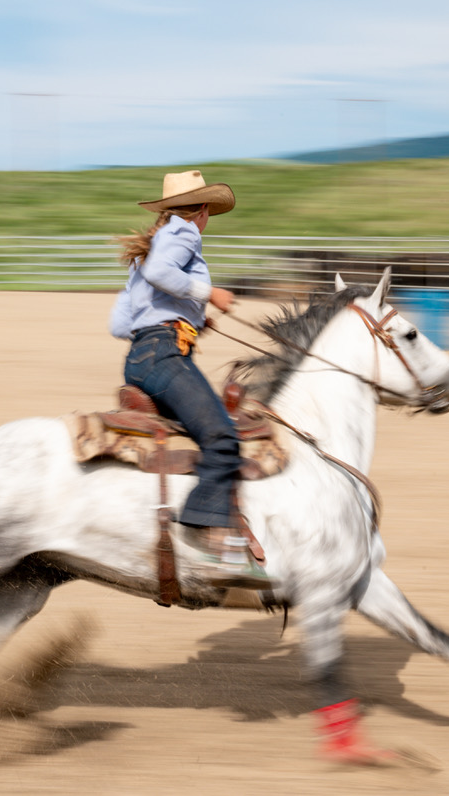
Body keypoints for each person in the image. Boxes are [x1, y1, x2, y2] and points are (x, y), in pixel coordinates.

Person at [109, 170, 271, 590]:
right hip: (165, 355)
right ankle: (212, 543)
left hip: (141, 357)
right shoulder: (184, 234)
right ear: (201, 210)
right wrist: (207, 295)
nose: (207, 218)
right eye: (209, 211)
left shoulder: (147, 248)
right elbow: (165, 275)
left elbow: (120, 322)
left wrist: (190, 319)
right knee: (222, 436)